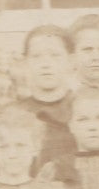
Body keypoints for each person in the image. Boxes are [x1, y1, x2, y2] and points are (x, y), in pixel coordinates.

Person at [18, 25, 77, 168]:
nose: (45, 64)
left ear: (71, 61)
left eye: (55, 55)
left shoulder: (83, 109)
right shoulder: (16, 113)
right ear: (25, 63)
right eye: (36, 56)